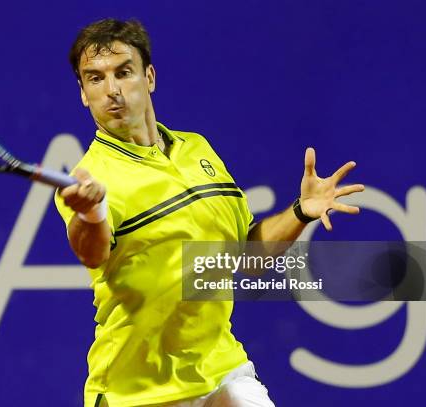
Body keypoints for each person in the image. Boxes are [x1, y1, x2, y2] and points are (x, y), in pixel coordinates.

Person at [54, 18, 364, 407]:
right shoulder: (91, 178)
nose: (112, 90)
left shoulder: (198, 150)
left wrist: (301, 211)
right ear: (83, 93)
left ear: (149, 77)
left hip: (221, 371)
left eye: (124, 72)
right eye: (95, 79)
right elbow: (92, 253)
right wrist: (91, 214)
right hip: (137, 391)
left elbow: (248, 256)